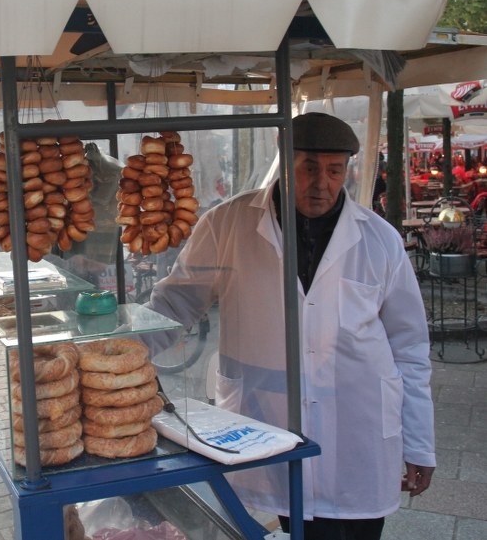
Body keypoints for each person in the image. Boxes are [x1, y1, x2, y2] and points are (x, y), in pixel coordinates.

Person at [147, 113, 434, 540]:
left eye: (335, 170)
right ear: (285, 162)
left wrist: (419, 442)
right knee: (278, 524)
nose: (322, 183)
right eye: (309, 168)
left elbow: (409, 347)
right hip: (265, 423)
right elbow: (176, 301)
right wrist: (121, 351)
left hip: (358, 427)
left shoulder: (380, 239)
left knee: (356, 530)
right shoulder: (228, 223)